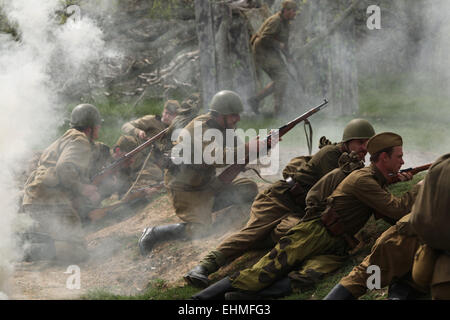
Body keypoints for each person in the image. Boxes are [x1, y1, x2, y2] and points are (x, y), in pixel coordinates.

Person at [191, 132, 421, 300]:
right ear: (383, 158)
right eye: (398, 156)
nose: (402, 161)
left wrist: (395, 180)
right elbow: (396, 209)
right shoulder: (364, 179)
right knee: (260, 273)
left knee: (307, 277)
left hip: (336, 244)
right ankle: (199, 301)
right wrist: (421, 187)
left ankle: (245, 300)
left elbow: (389, 212)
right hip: (315, 232)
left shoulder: (374, 180)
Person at [184, 119, 375, 288]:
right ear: (348, 141)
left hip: (297, 209)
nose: (364, 148)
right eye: (360, 143)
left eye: (368, 144)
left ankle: (265, 246)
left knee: (289, 235)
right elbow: (329, 193)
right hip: (278, 199)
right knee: (251, 235)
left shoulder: (347, 162)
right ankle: (203, 267)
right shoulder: (331, 155)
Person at [138, 90, 259, 255]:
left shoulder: (225, 126)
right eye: (233, 115)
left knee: (249, 188)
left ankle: (205, 209)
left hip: (205, 185)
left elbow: (236, 152)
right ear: (219, 115)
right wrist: (249, 148)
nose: (237, 119)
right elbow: (217, 157)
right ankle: (154, 232)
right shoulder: (199, 128)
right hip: (185, 189)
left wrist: (261, 147)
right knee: (200, 229)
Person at [325, 153, 450, 300]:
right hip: (409, 240)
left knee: (366, 279)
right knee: (373, 278)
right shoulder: (364, 178)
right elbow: (396, 208)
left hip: (406, 236)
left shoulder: (442, 165)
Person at [21, 104, 103, 263]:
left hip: (37, 198)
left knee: (59, 238)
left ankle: (27, 241)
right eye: (98, 125)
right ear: (90, 128)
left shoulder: (67, 137)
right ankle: (26, 249)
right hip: (49, 201)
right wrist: (82, 188)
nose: (99, 128)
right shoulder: (80, 140)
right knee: (78, 252)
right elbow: (64, 168)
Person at [248, 0, 298, 115]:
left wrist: (288, 56)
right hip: (262, 51)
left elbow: (285, 43)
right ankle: (278, 110)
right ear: (287, 11)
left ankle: (256, 100)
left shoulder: (286, 23)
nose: (295, 14)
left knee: (282, 78)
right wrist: (278, 44)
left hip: (270, 52)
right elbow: (264, 38)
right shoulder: (276, 21)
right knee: (282, 77)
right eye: (294, 11)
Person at [118, 100, 180, 187]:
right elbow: (125, 126)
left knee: (158, 174)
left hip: (149, 162)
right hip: (135, 152)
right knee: (126, 140)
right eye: (165, 112)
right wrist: (138, 131)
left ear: (176, 117)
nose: (166, 116)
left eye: (170, 114)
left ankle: (129, 179)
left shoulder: (176, 132)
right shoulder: (152, 120)